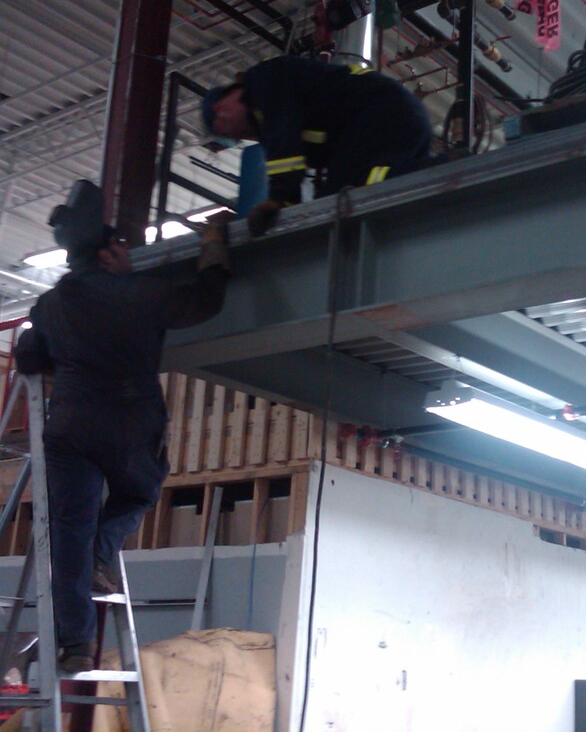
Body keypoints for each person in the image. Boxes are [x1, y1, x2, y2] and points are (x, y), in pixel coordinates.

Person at [14, 180, 229, 674]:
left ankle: (74, 645)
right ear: (109, 251)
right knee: (139, 492)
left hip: (69, 425)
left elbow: (30, 355)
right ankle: (101, 552)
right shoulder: (139, 293)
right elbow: (206, 302)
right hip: (129, 420)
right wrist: (215, 246)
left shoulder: (49, 305)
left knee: (69, 529)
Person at [202, 54, 435, 235]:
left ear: (220, 109)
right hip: (400, 117)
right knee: (350, 190)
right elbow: (299, 160)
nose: (240, 137)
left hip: (381, 111)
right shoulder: (279, 110)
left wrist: (277, 199)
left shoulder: (262, 82)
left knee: (351, 190)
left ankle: (436, 169)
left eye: (227, 132)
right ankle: (431, 174)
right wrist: (287, 206)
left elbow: (284, 149)